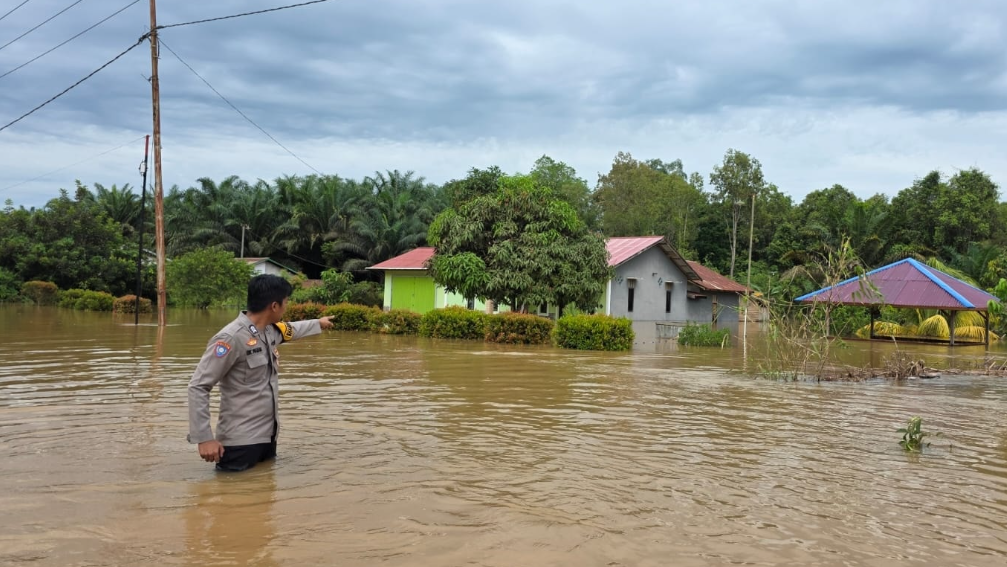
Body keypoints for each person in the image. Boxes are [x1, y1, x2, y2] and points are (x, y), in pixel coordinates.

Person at [187, 274, 334, 472]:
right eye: (286, 302)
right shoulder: (230, 338)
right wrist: (204, 438)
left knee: (263, 497)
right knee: (233, 498)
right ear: (274, 306)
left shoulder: (269, 332)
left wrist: (319, 323)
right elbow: (198, 386)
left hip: (268, 437)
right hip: (239, 443)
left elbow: (292, 329)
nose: (286, 307)